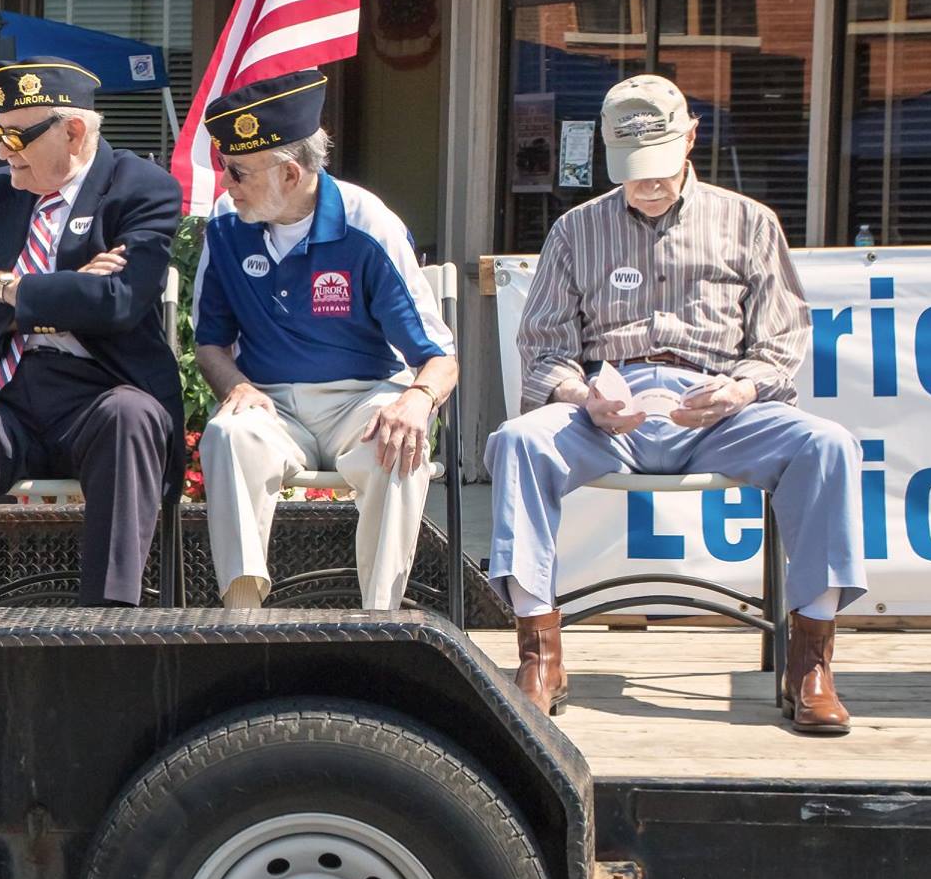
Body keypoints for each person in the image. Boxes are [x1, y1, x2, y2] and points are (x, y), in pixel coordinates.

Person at [486, 74, 864, 735]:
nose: (651, 183)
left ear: (692, 138)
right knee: (517, 442)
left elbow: (782, 340)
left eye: (661, 167)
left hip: (720, 406)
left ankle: (811, 664)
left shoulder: (750, 222)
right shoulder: (576, 230)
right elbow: (543, 349)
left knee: (826, 445)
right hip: (608, 409)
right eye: (635, 172)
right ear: (608, 156)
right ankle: (539, 656)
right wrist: (585, 395)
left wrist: (740, 387)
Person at [0, 59, 182, 606]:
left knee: (132, 416)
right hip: (1, 391)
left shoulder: (141, 188)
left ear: (72, 133)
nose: (3, 151)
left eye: (15, 136)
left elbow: (119, 304)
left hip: (98, 389)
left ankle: (111, 618)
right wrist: (68, 289)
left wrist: (6, 289)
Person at [193, 71, 458, 610]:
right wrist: (234, 384)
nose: (227, 184)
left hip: (361, 399)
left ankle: (380, 619)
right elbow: (210, 344)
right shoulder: (226, 223)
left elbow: (439, 358)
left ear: (290, 173)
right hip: (270, 401)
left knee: (399, 444)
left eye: (239, 171)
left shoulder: (368, 224)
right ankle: (242, 615)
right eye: (225, 168)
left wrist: (417, 399)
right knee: (227, 435)